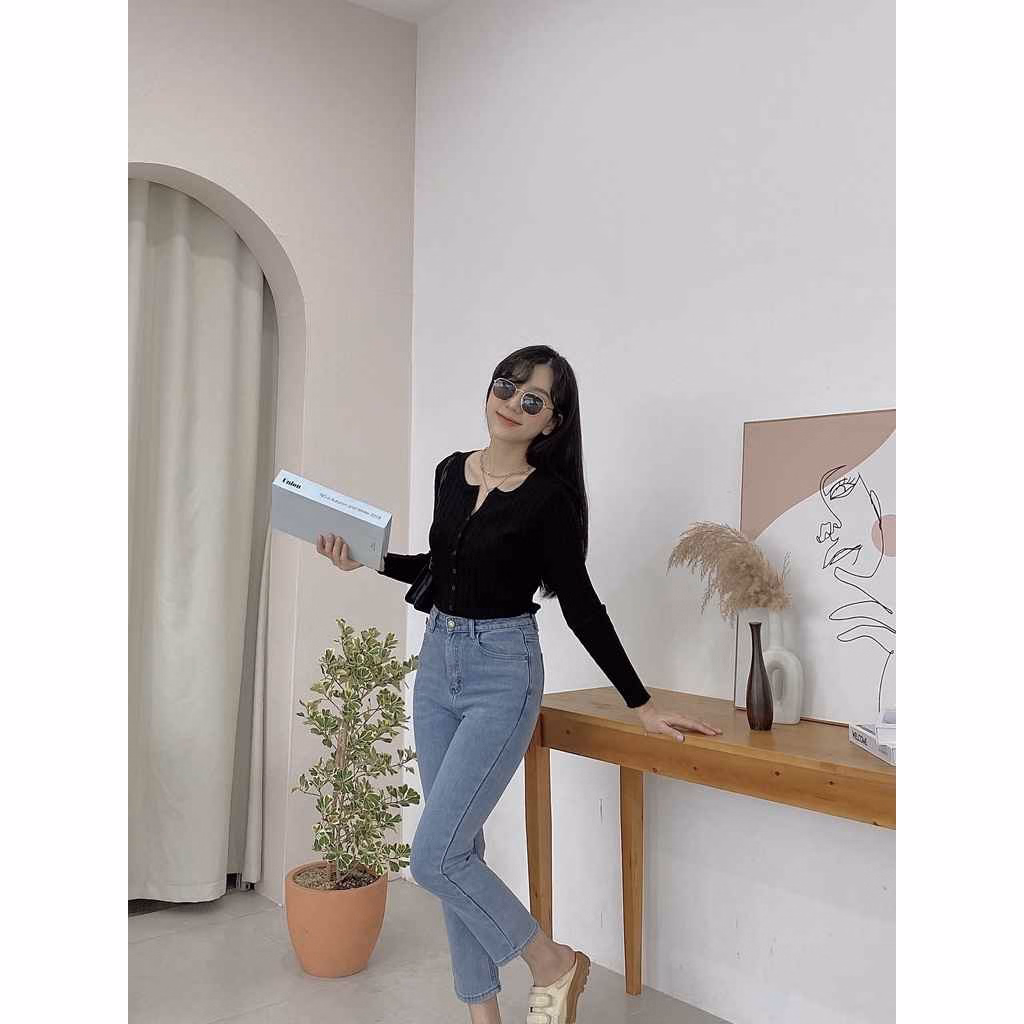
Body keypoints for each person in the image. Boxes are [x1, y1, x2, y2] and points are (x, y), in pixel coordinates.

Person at [317, 345, 722, 1024]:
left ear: (551, 423)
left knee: (433, 856)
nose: (512, 402)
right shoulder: (451, 472)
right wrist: (368, 559)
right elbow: (440, 566)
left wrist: (642, 703)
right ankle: (485, 1015)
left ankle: (552, 962)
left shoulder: (549, 500)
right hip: (437, 664)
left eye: (532, 399)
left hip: (502, 673)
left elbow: (581, 603)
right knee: (459, 849)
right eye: (506, 385)